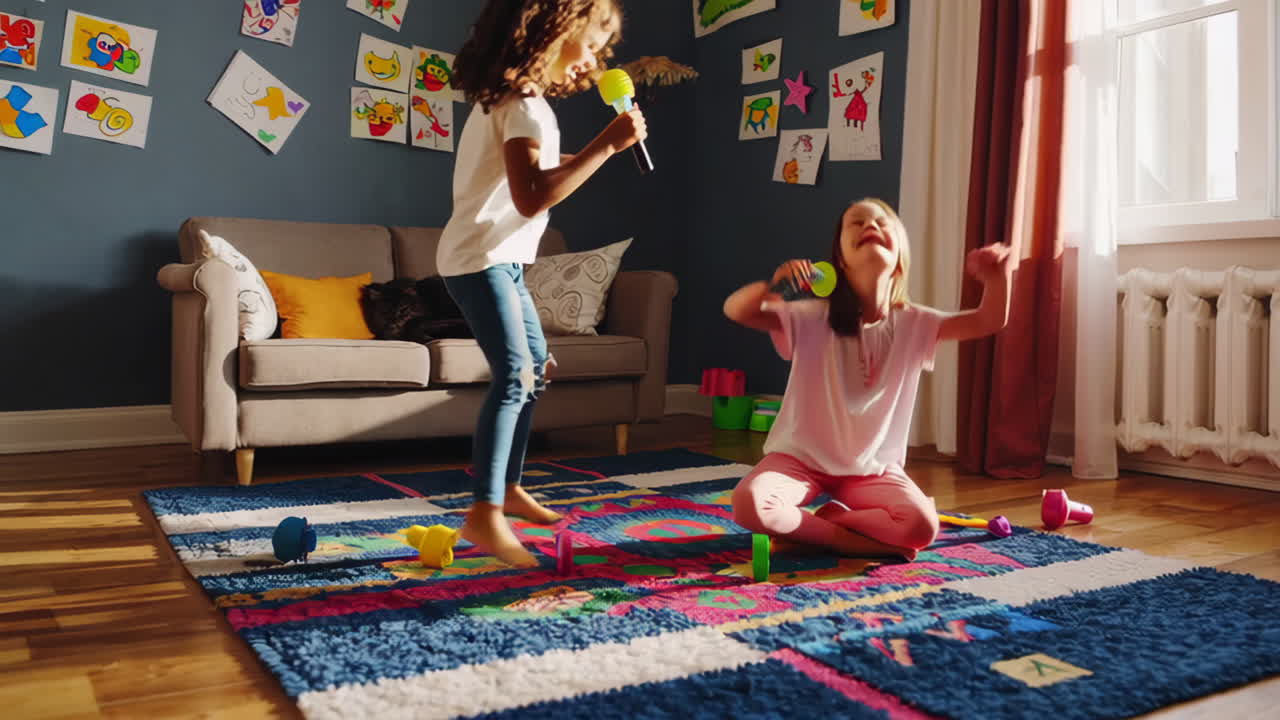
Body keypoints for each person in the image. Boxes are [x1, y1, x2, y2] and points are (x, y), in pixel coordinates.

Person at [437, 0, 646, 568]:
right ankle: (484, 513)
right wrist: (608, 144)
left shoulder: (514, 99)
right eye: (595, 40)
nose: (597, 59)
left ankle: (506, 488)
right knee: (515, 376)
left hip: (499, 260)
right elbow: (532, 195)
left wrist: (600, 150)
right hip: (479, 259)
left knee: (535, 372)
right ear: (559, 28)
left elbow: (533, 173)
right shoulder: (525, 104)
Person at [723, 198, 1013, 560]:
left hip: (870, 470)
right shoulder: (813, 316)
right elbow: (737, 309)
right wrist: (775, 288)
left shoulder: (915, 323)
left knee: (921, 526)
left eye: (881, 222)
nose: (870, 226)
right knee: (750, 504)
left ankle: (833, 522)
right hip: (798, 461)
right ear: (840, 260)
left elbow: (987, 320)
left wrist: (997, 276)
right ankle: (844, 540)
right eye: (856, 223)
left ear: (900, 257)